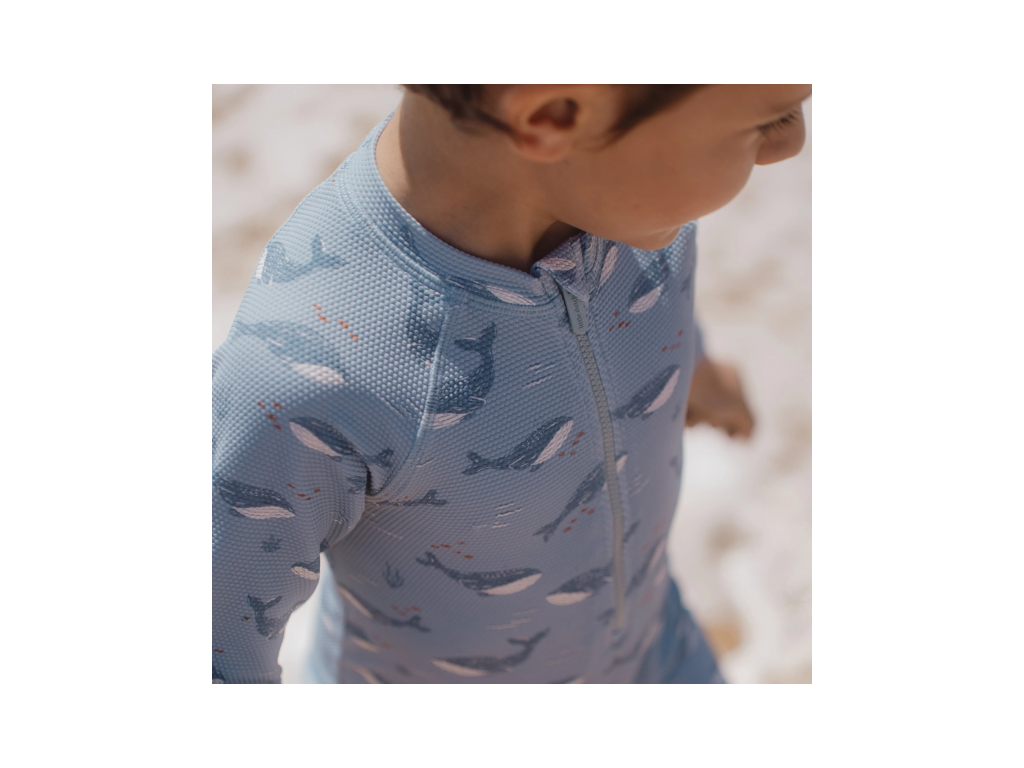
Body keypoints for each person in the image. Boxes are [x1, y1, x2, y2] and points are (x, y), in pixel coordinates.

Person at [212, 84, 809, 684]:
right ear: (554, 115)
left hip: (661, 652)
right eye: (772, 118)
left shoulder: (636, 207)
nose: (791, 144)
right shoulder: (307, 374)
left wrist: (695, 368)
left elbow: (644, 301)